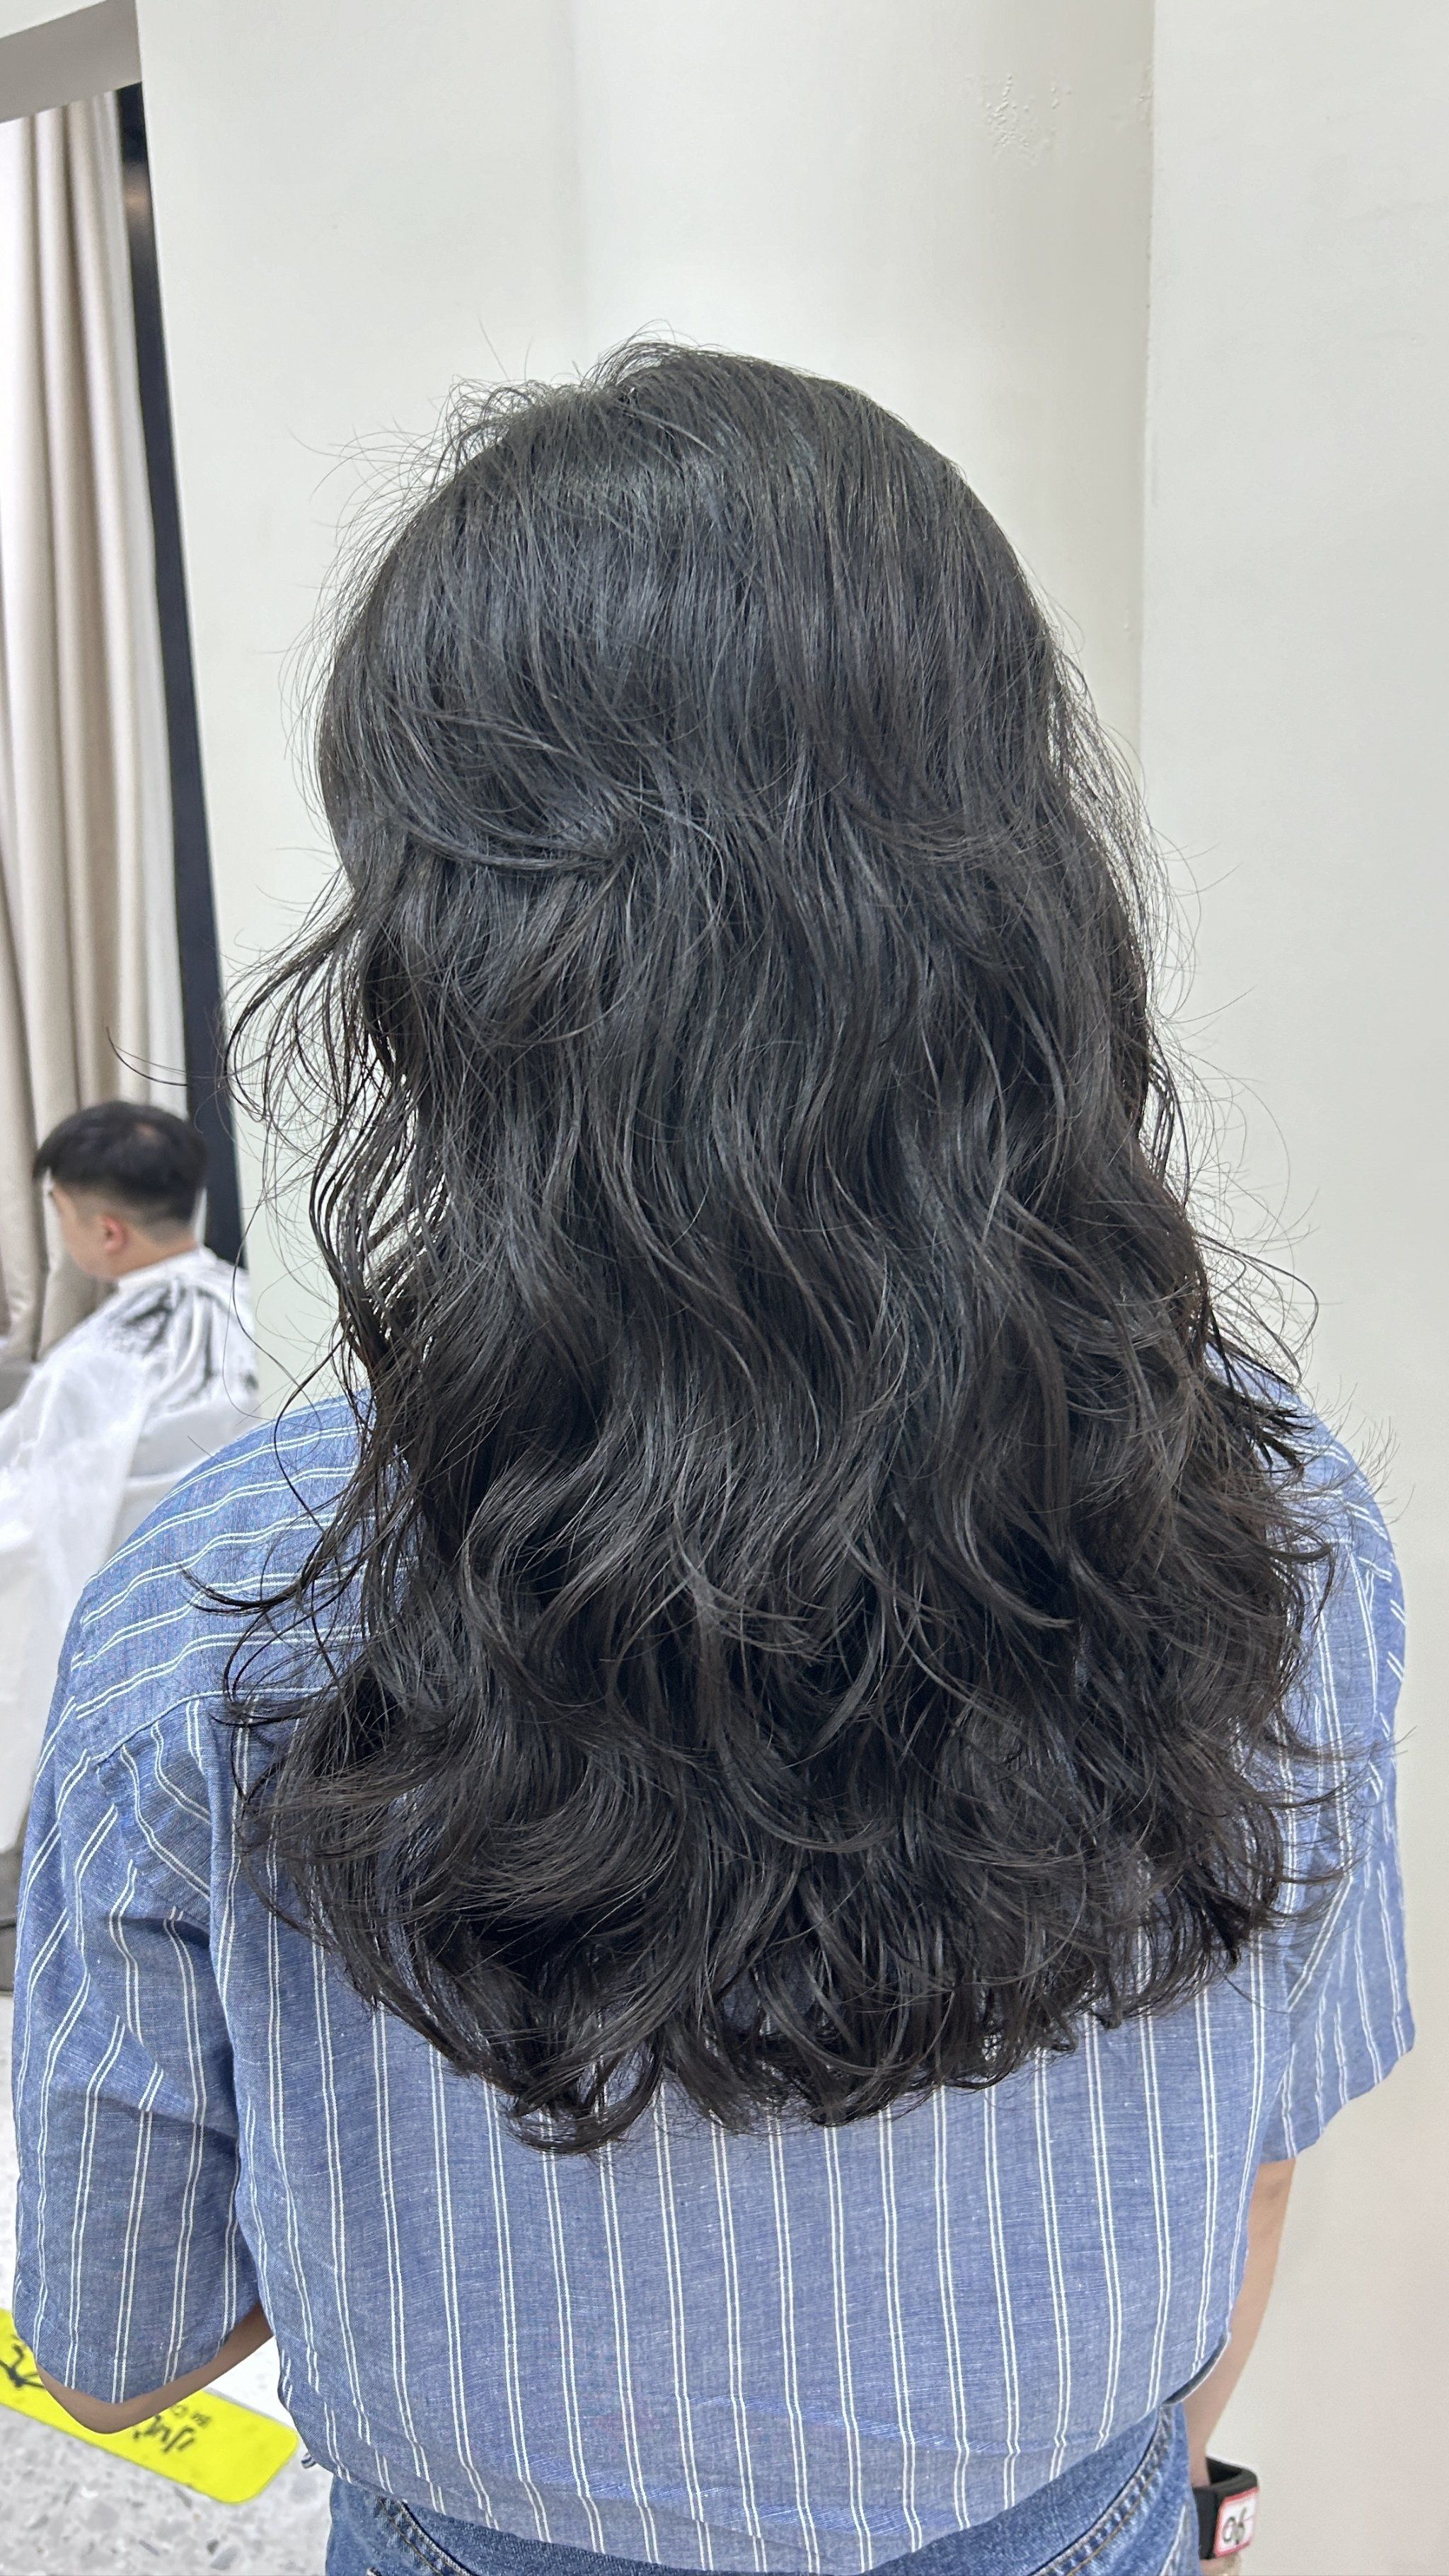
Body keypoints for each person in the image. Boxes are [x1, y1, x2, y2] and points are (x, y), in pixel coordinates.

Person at [10, 344, 1412, 2576]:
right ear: (1014, 899)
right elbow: (1255, 2155)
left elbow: (112, 2345)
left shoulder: (227, 1604)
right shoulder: (1262, 1517)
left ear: (439, 964)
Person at [0, 1099, 260, 1865]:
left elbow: (38, 1529)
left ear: (106, 1231)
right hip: (250, 1629)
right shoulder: (262, 1309)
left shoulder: (98, 1363)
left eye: (61, 1213)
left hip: (131, 1642)